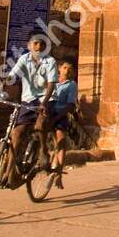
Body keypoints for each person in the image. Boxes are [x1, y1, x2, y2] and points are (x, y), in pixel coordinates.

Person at [3, 34, 58, 187]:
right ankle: (9, 173)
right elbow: (12, 76)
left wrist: (43, 103)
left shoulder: (50, 61)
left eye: (41, 44)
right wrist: (0, 88)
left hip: (46, 99)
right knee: (16, 133)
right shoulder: (24, 59)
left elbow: (51, 84)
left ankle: (43, 151)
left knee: (40, 124)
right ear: (29, 46)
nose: (38, 47)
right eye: (35, 44)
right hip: (28, 99)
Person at [46, 58, 78, 188]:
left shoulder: (71, 85)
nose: (67, 70)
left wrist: (57, 117)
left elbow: (70, 105)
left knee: (61, 139)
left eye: (70, 68)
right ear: (59, 68)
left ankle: (58, 173)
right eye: (65, 67)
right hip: (48, 112)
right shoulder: (51, 81)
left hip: (60, 114)